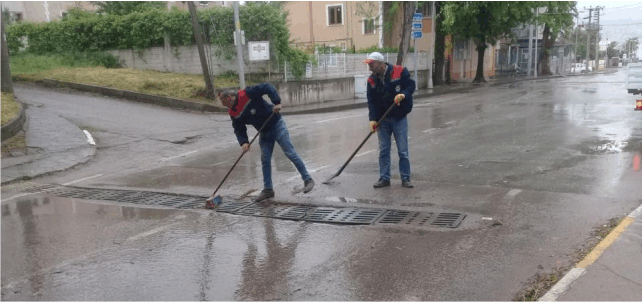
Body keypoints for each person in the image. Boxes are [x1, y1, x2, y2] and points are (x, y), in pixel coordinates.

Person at [218, 83, 314, 201]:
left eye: (222, 100)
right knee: (265, 159)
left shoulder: (247, 94)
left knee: (290, 153)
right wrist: (244, 142)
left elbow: (267, 87)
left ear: (229, 98)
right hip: (264, 131)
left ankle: (308, 179)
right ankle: (268, 189)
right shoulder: (233, 112)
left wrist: (276, 102)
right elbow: (238, 128)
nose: (221, 103)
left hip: (276, 124)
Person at [364, 52, 416, 188]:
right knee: (384, 150)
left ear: (381, 64)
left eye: (371, 64)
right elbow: (371, 102)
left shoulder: (399, 71)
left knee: (403, 150)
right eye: (368, 65)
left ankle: (405, 178)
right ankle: (384, 178)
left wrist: (403, 94)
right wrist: (373, 120)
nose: (369, 68)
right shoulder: (372, 80)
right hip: (383, 120)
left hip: (399, 118)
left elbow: (411, 86)